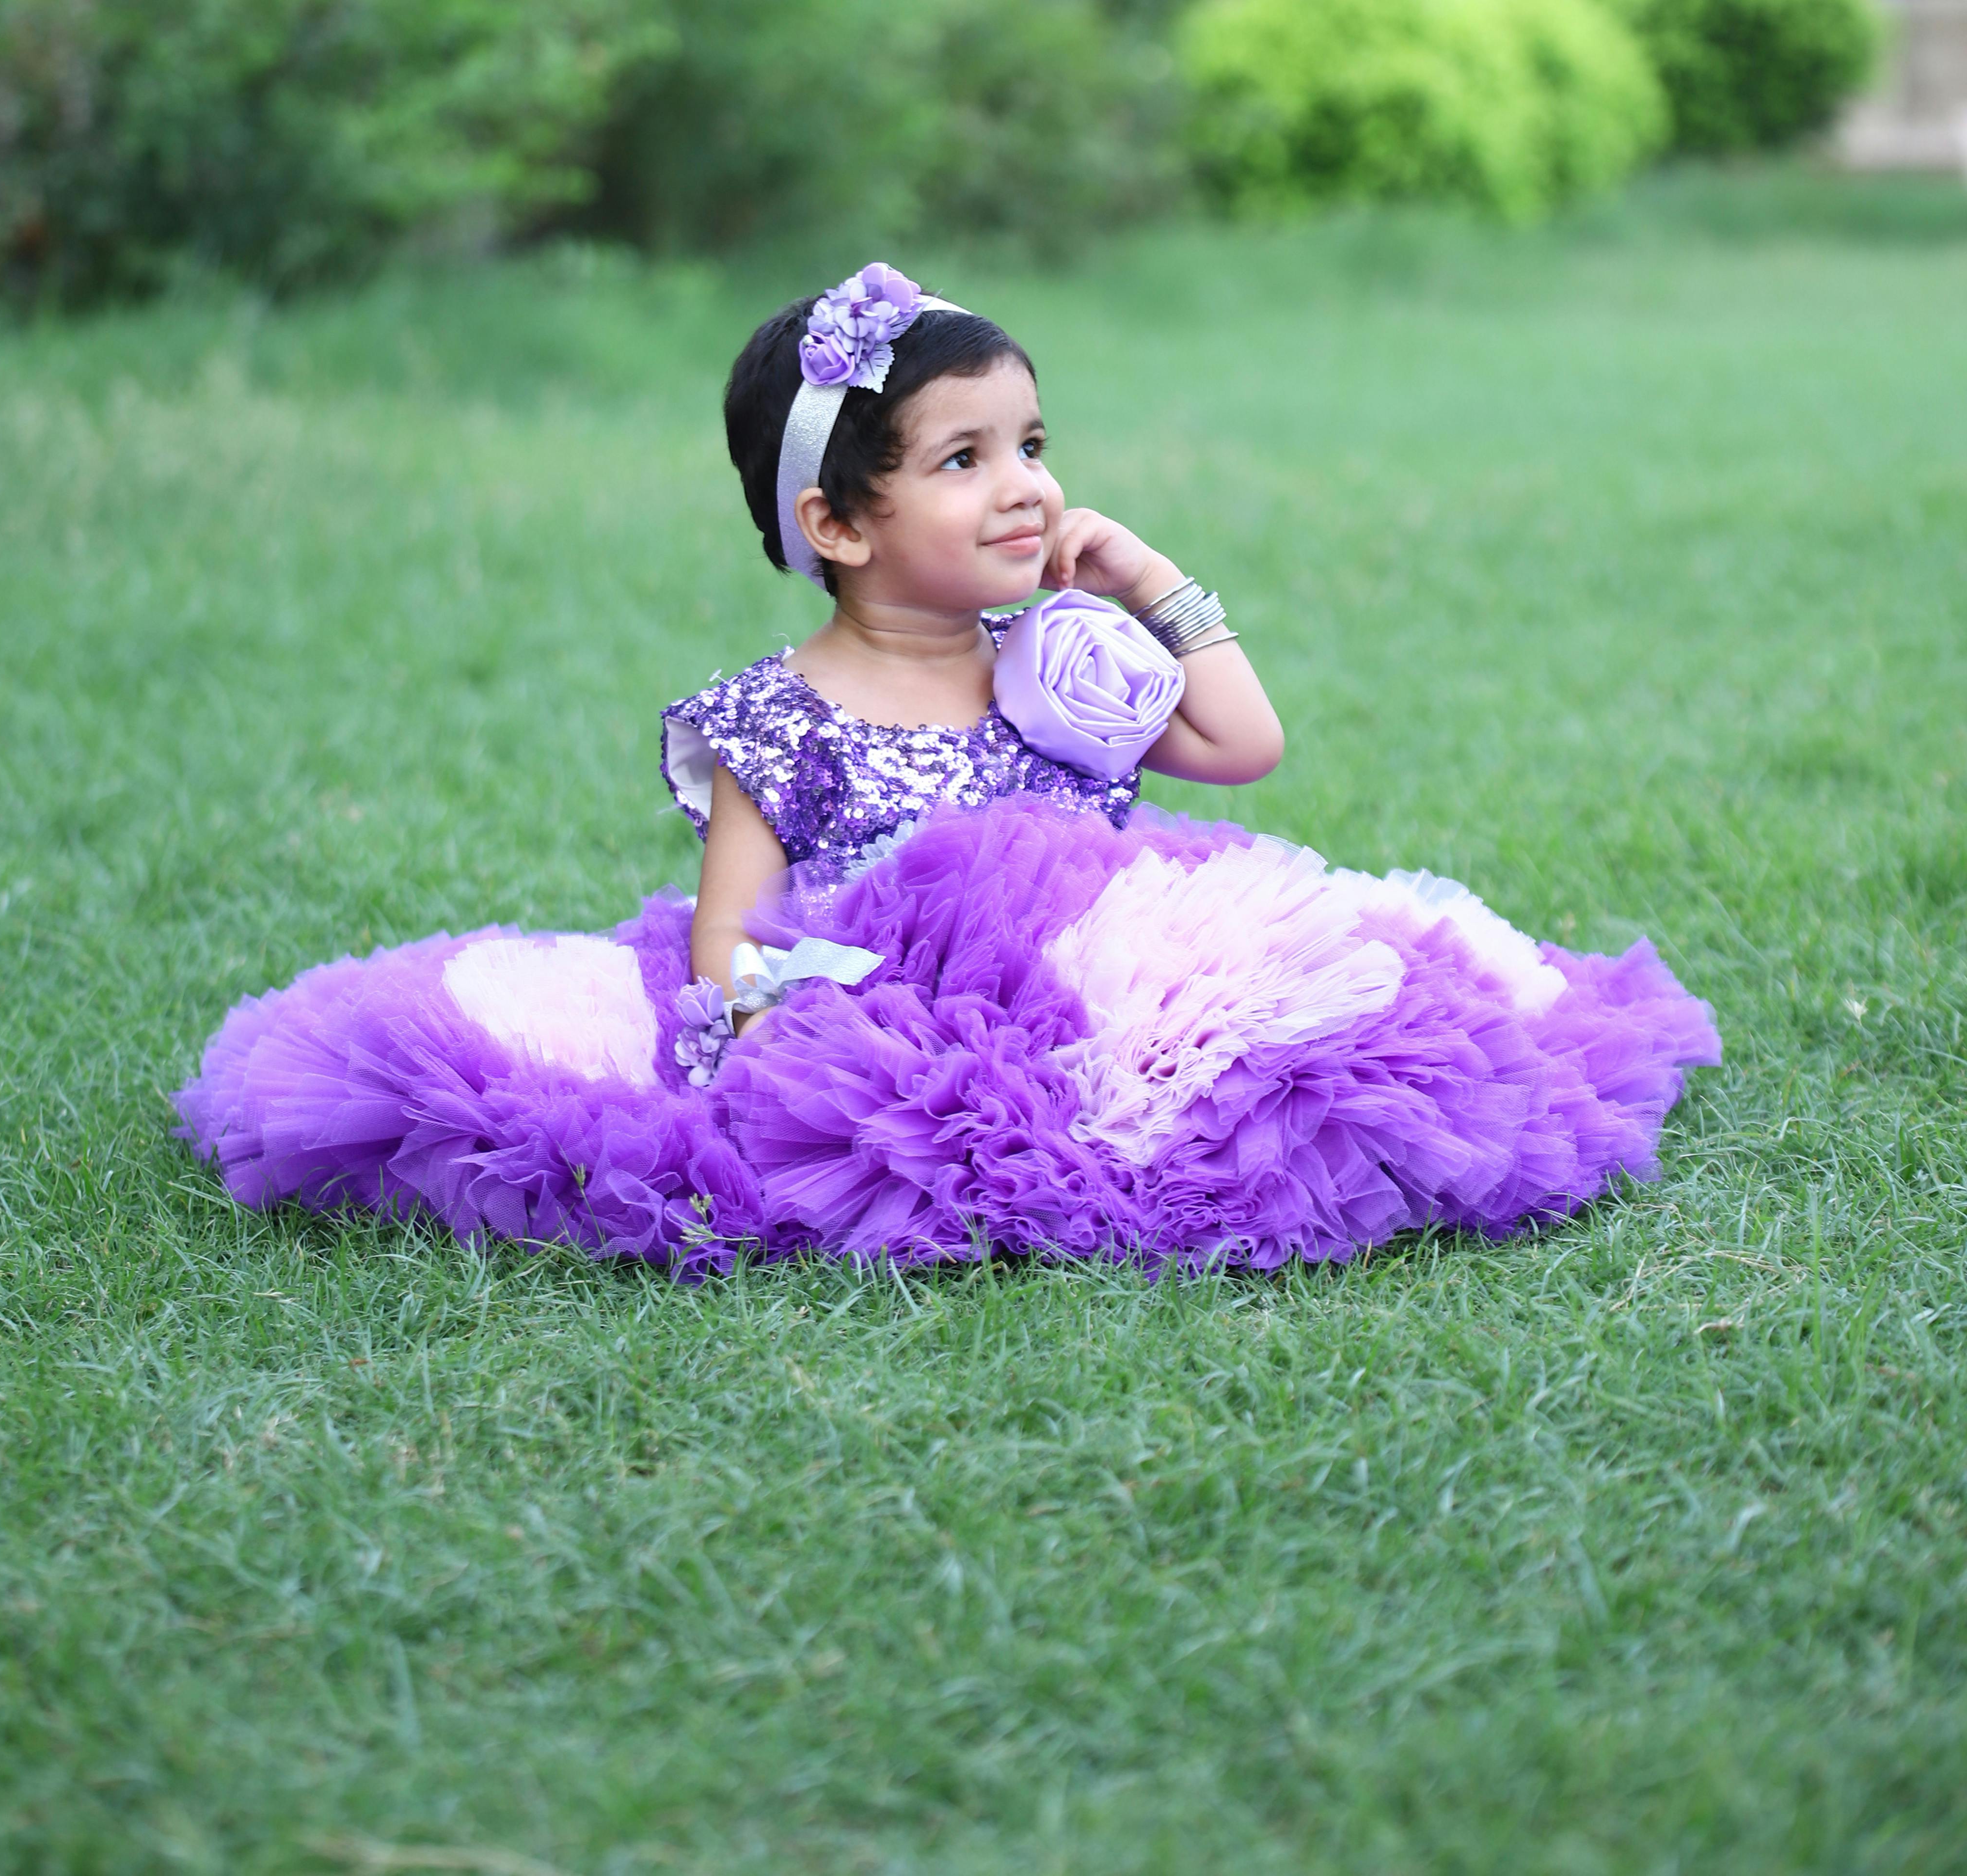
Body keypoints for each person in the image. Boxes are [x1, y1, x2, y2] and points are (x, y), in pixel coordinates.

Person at [176, 264, 1718, 1271]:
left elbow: (1246, 750)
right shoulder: (778, 718)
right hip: (895, 1004)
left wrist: (1153, 585)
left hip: (1098, 995)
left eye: (1034, 445)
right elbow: (728, 940)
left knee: (1329, 1023)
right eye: (965, 460)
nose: (1025, 488)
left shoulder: (1057, 664)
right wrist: (825, 1006)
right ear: (839, 526)